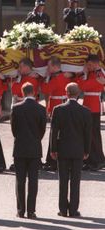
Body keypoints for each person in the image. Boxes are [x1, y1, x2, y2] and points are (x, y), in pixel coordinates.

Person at [50, 82, 92, 217]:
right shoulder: (85, 111)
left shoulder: (58, 109)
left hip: (63, 149)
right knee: (75, 181)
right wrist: (87, 150)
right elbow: (88, 134)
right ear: (78, 93)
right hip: (78, 149)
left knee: (63, 181)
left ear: (66, 93)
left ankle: (62, 209)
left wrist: (53, 149)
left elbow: (54, 131)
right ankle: (73, 209)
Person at [11, 82, 46, 219]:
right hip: (34, 147)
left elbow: (13, 129)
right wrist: (36, 139)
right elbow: (42, 129)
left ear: (22, 92)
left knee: (20, 181)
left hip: (20, 147)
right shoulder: (41, 109)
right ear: (34, 92)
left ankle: (20, 210)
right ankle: (31, 211)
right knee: (33, 180)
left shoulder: (16, 108)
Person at [41, 56, 72, 171]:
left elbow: (45, 90)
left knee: (54, 135)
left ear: (55, 66)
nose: (47, 69)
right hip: (61, 105)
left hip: (57, 107)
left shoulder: (56, 78)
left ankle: (52, 161)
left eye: (49, 66)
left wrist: (46, 78)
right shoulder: (63, 76)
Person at [77, 54, 105, 171]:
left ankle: (98, 160)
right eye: (87, 65)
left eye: (90, 65)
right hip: (88, 105)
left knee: (94, 135)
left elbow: (84, 86)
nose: (88, 67)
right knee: (88, 134)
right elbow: (81, 86)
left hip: (94, 107)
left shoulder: (100, 73)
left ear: (96, 64)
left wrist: (84, 75)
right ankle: (90, 159)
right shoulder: (90, 73)